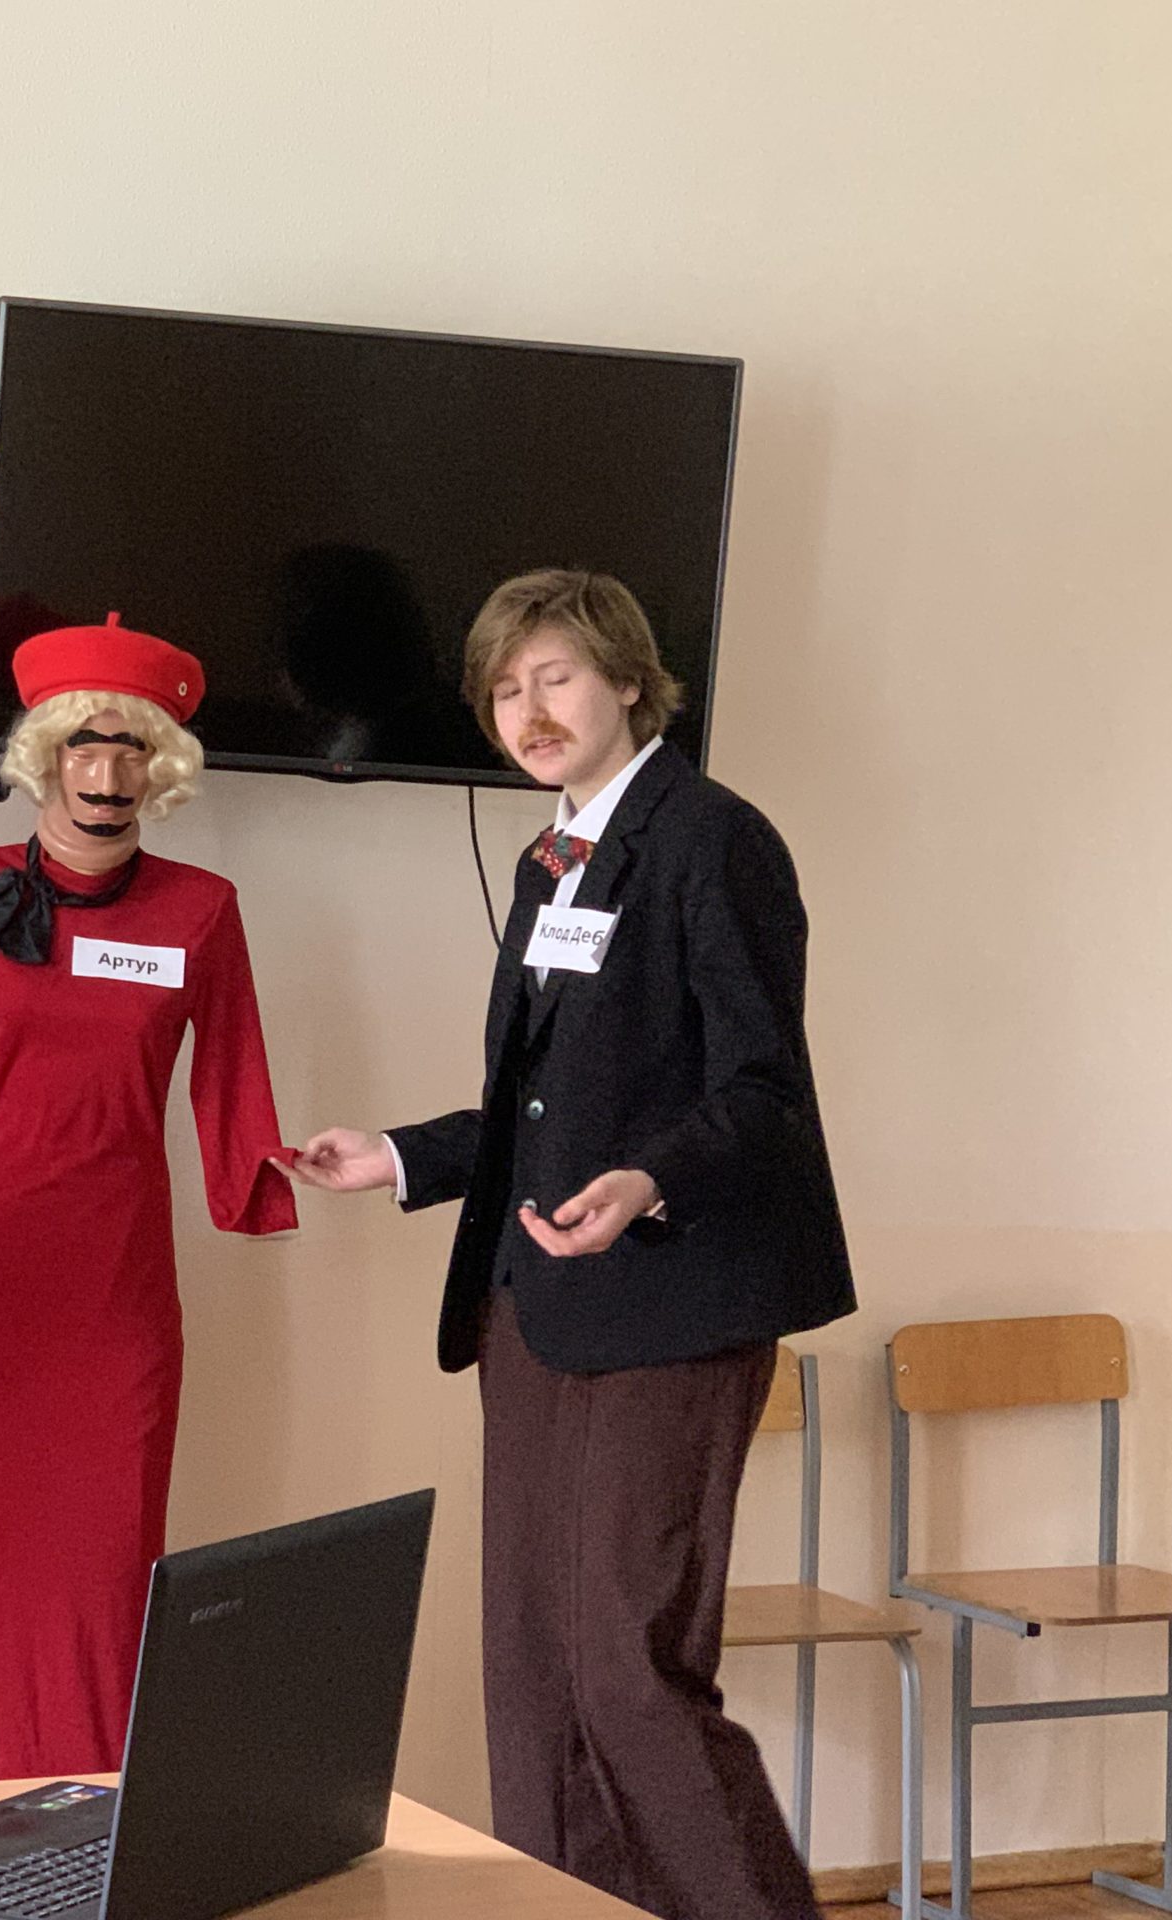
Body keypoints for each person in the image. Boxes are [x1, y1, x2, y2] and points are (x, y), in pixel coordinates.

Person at [293, 569, 855, 1920]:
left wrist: (648, 1180)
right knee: (536, 1678)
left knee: (627, 1672)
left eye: (553, 678)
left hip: (671, 1308)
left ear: (627, 682)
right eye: (503, 690)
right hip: (534, 1308)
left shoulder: (711, 839)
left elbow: (763, 1088)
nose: (527, 711)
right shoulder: (556, 861)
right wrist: (401, 1157)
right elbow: (542, 1107)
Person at [0, 612, 298, 1782]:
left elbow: (232, 1080)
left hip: (116, 1295)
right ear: (44, 756)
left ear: (159, 768)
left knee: (107, 1581)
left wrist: (269, 1170)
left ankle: (89, 1829)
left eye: (132, 748)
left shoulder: (200, 911)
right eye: (85, 744)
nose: (107, 774)